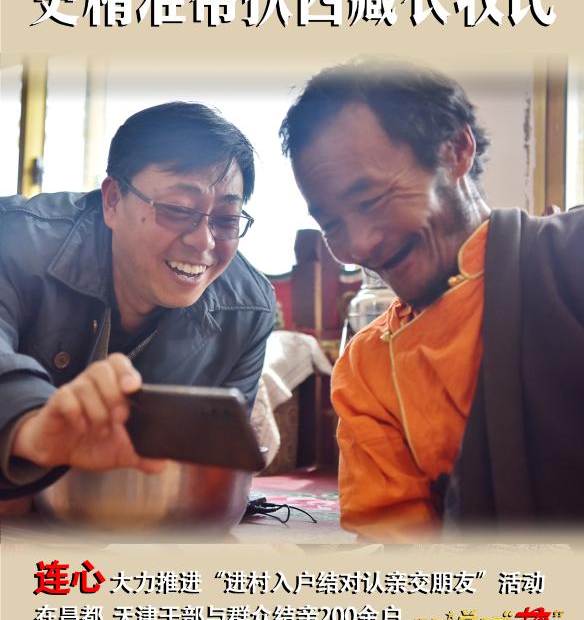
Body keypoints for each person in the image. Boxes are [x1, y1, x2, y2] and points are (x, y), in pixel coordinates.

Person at [280, 58, 584, 541]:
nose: (359, 245)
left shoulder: (569, 258)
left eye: (372, 199)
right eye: (332, 224)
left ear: (456, 151)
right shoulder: (368, 369)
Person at [0, 102, 275, 499]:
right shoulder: (14, 239)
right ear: (113, 200)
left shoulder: (248, 310)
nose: (203, 242)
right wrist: (33, 428)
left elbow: (217, 460)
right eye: (177, 210)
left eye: (227, 219)